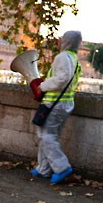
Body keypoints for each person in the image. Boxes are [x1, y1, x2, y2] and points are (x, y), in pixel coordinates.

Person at [29, 30, 82, 184]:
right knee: (50, 135)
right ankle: (43, 169)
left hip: (55, 103)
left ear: (66, 41)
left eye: (62, 38)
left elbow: (62, 78)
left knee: (46, 135)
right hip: (65, 102)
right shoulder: (74, 58)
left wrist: (42, 86)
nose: (59, 41)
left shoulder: (62, 57)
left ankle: (62, 168)